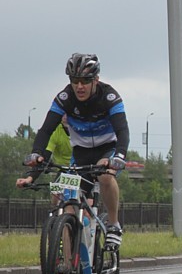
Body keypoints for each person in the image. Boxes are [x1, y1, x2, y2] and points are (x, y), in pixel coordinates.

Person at [23, 53, 129, 250]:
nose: (79, 86)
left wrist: (119, 156)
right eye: (74, 81)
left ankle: (114, 225)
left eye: (85, 81)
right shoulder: (65, 98)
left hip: (108, 149)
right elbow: (46, 129)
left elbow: (122, 130)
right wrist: (37, 153)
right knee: (67, 207)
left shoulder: (109, 96)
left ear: (96, 80)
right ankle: (68, 271)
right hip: (80, 153)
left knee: (106, 177)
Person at [16, 114, 72, 193]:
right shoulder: (56, 131)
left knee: (89, 199)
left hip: (85, 168)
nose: (65, 116)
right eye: (63, 113)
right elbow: (44, 156)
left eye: (68, 113)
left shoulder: (83, 128)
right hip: (64, 170)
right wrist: (30, 178)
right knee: (55, 194)